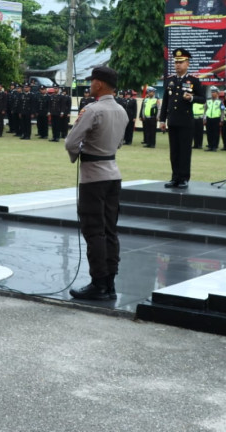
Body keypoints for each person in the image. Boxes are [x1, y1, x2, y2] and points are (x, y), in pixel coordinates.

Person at [65, 65, 128, 301]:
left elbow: (71, 143)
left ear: (99, 84)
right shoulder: (122, 110)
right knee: (110, 230)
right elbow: (119, 142)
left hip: (93, 177)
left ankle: (98, 283)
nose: (90, 85)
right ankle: (110, 283)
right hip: (113, 175)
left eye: (92, 81)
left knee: (94, 231)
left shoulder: (92, 110)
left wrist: (80, 153)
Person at [160, 48, 203, 188]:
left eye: (181, 62)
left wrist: (192, 98)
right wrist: (162, 120)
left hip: (186, 121)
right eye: (176, 62)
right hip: (172, 121)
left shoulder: (193, 81)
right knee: (174, 151)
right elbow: (165, 101)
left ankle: (184, 178)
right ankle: (175, 177)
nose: (177, 65)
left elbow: (203, 99)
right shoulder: (170, 80)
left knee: (185, 151)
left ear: (187, 64)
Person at [203, 86, 222, 151]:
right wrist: (204, 119)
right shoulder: (208, 100)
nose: (212, 94)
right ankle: (210, 146)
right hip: (209, 118)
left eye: (214, 92)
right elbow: (205, 110)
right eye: (212, 92)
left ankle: (215, 146)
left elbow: (222, 111)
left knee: (215, 133)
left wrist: (221, 120)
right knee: (209, 133)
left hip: (216, 119)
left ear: (217, 93)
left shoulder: (220, 101)